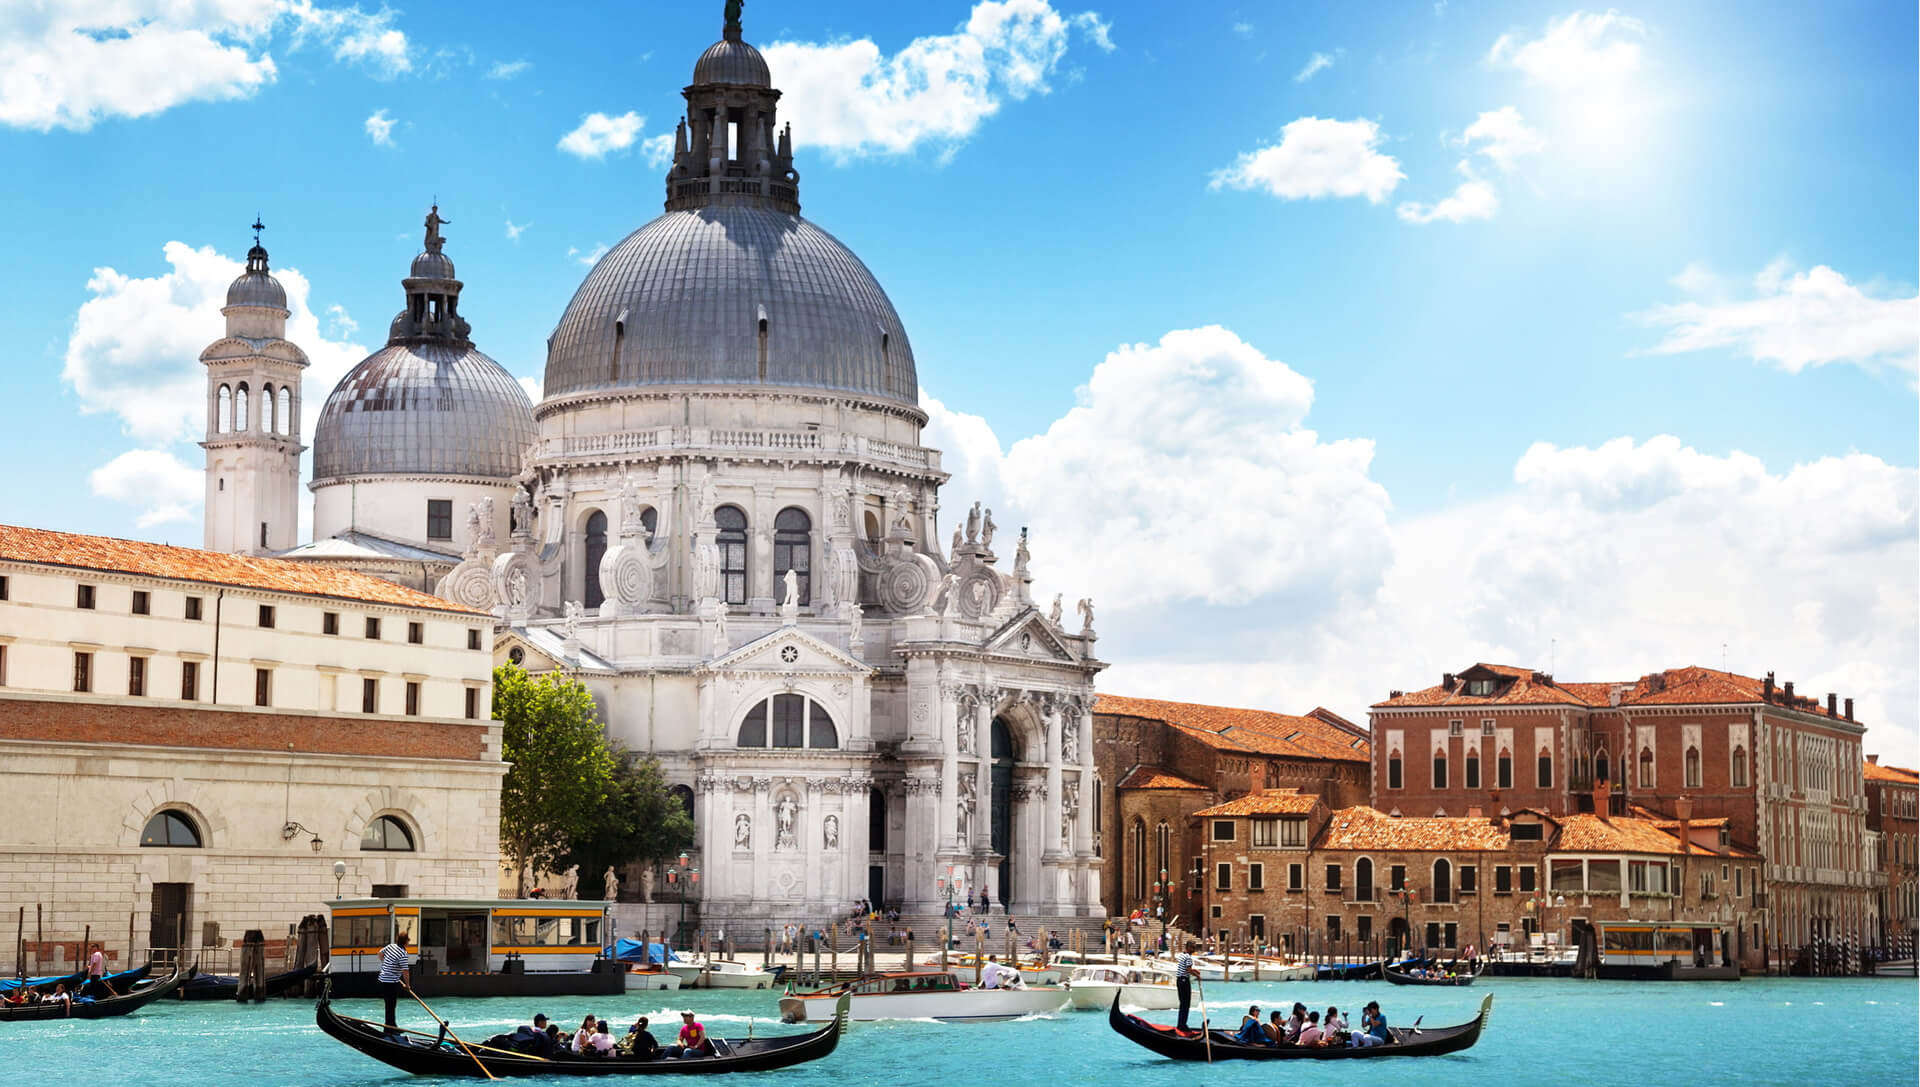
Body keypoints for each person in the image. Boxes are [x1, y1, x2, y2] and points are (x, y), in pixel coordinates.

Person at [377, 929, 411, 1030]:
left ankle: (392, 1026)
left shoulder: (391, 946)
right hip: (390, 982)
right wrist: (407, 985)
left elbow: (380, 954)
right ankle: (389, 1028)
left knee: (389, 1004)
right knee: (391, 1005)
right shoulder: (403, 954)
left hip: (383, 979)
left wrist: (386, 965)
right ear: (405, 941)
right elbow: (405, 971)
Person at [1173, 940, 1196, 1031]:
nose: (1194, 949)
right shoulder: (1188, 957)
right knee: (1186, 1004)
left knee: (1183, 1004)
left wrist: (1195, 971)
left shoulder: (1182, 955)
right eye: (1192, 947)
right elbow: (1189, 970)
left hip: (1179, 980)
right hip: (1184, 981)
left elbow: (1186, 968)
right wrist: (1197, 976)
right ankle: (1182, 1025)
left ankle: (1181, 1024)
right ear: (1188, 947)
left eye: (1194, 947)